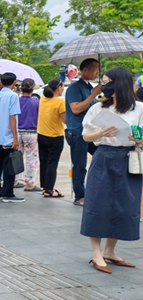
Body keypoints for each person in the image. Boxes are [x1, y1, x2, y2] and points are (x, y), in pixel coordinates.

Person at [81, 66, 143, 273]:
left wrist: (138, 139)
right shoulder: (98, 108)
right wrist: (100, 134)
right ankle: (96, 253)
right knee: (98, 203)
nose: (104, 85)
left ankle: (110, 250)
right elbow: (85, 136)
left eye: (107, 81)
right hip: (104, 156)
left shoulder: (139, 109)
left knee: (125, 206)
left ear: (120, 84)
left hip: (128, 158)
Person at [65, 58, 102, 206]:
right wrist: (93, 95)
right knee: (79, 165)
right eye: (95, 70)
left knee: (102, 155)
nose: (97, 73)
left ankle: (95, 190)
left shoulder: (89, 87)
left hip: (90, 131)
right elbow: (76, 109)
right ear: (85, 70)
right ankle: (79, 196)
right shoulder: (75, 88)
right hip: (78, 132)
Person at [0, 73, 24, 202]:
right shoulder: (13, 96)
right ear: (14, 82)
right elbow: (12, 116)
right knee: (9, 164)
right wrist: (15, 138)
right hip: (7, 135)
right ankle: (8, 193)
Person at [37, 78, 67, 198]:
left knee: (43, 162)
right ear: (58, 88)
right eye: (63, 86)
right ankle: (49, 190)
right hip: (55, 137)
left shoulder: (43, 99)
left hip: (42, 135)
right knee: (52, 164)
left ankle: (45, 186)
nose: (63, 89)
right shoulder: (60, 103)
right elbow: (65, 120)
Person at [18, 78, 41, 192]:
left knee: (16, 157)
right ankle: (29, 183)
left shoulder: (16, 100)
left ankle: (13, 179)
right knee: (31, 159)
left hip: (17, 132)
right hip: (31, 132)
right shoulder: (36, 102)